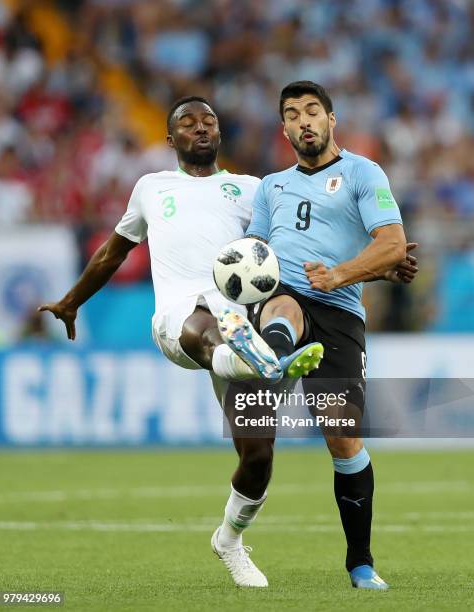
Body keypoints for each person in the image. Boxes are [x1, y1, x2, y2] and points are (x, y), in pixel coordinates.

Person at [38, 96, 324, 587]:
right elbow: (112, 252)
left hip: (241, 318)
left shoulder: (250, 190)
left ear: (219, 133)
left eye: (209, 121)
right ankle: (253, 359)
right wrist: (71, 301)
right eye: (187, 124)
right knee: (205, 325)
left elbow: (294, 245)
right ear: (171, 139)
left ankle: (229, 539)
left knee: (257, 458)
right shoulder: (151, 188)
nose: (200, 128)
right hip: (180, 320)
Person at [221, 80, 417, 591]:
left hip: (340, 312)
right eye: (292, 114)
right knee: (284, 301)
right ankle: (276, 355)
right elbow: (256, 255)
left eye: (312, 111)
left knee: (345, 441)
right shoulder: (271, 186)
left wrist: (343, 274)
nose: (303, 120)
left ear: (332, 120)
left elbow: (393, 243)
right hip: (284, 297)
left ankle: (361, 564)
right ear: (284, 128)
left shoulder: (362, 172)